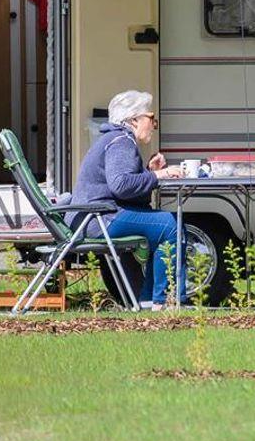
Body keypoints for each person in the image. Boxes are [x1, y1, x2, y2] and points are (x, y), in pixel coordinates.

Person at [69, 89, 186, 308]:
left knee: (162, 226)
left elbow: (123, 187)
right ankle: (165, 301)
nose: (154, 124)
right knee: (170, 225)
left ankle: (149, 301)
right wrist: (158, 176)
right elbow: (121, 185)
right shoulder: (122, 141)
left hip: (94, 216)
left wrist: (148, 172)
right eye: (151, 118)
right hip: (99, 219)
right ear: (133, 120)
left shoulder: (113, 138)